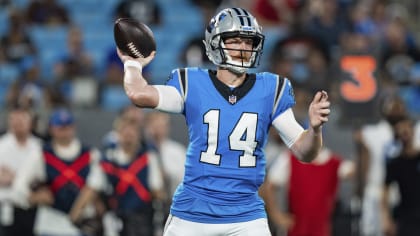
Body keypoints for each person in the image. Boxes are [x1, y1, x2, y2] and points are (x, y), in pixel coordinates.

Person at [117, 7, 330, 235]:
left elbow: (305, 153)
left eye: (249, 42)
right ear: (214, 43)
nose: (244, 48)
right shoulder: (192, 82)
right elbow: (139, 95)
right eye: (236, 40)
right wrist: (132, 64)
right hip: (193, 212)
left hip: (245, 215)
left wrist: (314, 130)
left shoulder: (271, 88)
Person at [12, 108, 106, 236]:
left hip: (81, 223)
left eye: (67, 127)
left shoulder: (89, 154)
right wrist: (33, 197)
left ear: (73, 127)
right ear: (52, 129)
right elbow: (19, 185)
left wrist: (79, 208)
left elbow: (96, 183)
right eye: (60, 127)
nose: (64, 131)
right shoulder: (41, 154)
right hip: (51, 222)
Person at [264, 147, 354, 236]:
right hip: (296, 229)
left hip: (322, 230)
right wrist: (276, 216)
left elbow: (353, 171)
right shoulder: (290, 158)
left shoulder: (335, 163)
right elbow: (269, 186)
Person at [101, 115, 164, 236]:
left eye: (133, 131)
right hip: (115, 216)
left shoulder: (148, 158)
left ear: (139, 135)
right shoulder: (108, 160)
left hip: (141, 218)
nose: (128, 134)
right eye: (125, 130)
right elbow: (95, 188)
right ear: (117, 134)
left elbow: (157, 190)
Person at [0, 106, 43, 236]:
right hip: (5, 204)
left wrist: (14, 178)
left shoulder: (39, 147)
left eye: (22, 119)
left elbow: (41, 177)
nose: (18, 123)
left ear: (31, 122)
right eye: (14, 119)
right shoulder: (2, 145)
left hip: (31, 205)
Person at [380, 117, 420, 236]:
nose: (404, 133)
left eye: (407, 129)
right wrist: (386, 220)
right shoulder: (395, 163)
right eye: (401, 131)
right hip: (405, 217)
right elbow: (385, 191)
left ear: (413, 131)